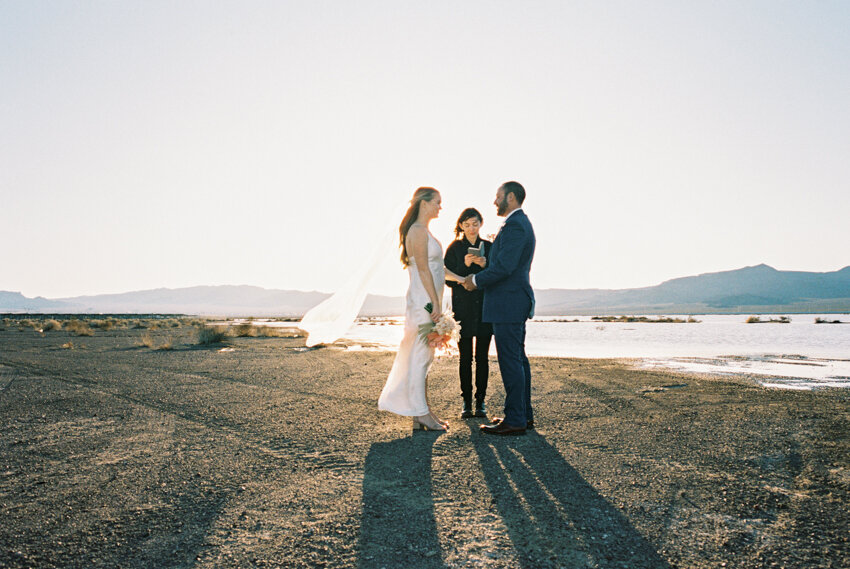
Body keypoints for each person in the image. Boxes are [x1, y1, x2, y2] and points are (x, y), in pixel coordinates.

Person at [378, 187, 465, 431]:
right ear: (424, 203)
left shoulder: (424, 231)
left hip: (429, 300)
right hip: (422, 301)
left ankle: (421, 413)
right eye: (437, 202)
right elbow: (424, 270)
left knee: (425, 356)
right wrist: (436, 304)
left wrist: (463, 279)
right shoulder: (416, 231)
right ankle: (421, 413)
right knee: (421, 355)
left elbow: (439, 270)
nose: (440, 206)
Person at [463, 181, 536, 436]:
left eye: (498, 197)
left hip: (508, 302)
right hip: (511, 301)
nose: (495, 201)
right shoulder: (516, 224)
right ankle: (522, 414)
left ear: (512, 197)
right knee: (517, 359)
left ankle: (515, 419)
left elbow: (505, 268)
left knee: (510, 361)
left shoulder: (515, 225)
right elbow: (505, 264)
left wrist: (475, 280)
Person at [444, 208, 493, 419]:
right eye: (467, 224)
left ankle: (480, 401)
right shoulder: (454, 247)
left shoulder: (490, 247)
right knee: (465, 358)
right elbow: (446, 279)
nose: (471, 228)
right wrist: (464, 266)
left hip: (484, 310)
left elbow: (496, 276)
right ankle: (466, 402)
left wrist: (485, 265)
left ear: (481, 224)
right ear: (461, 226)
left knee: (482, 358)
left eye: (475, 224)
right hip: (462, 310)